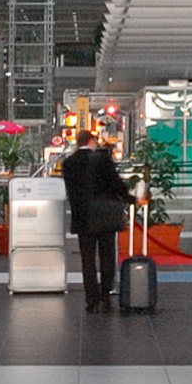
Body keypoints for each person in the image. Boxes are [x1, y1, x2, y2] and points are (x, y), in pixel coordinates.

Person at [62, 133, 129, 312]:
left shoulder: (68, 163)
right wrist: (130, 198)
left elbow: (71, 192)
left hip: (83, 216)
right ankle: (106, 296)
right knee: (107, 256)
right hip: (105, 215)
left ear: (78, 143)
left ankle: (91, 300)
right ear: (91, 141)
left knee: (88, 259)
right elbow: (116, 184)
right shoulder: (103, 160)